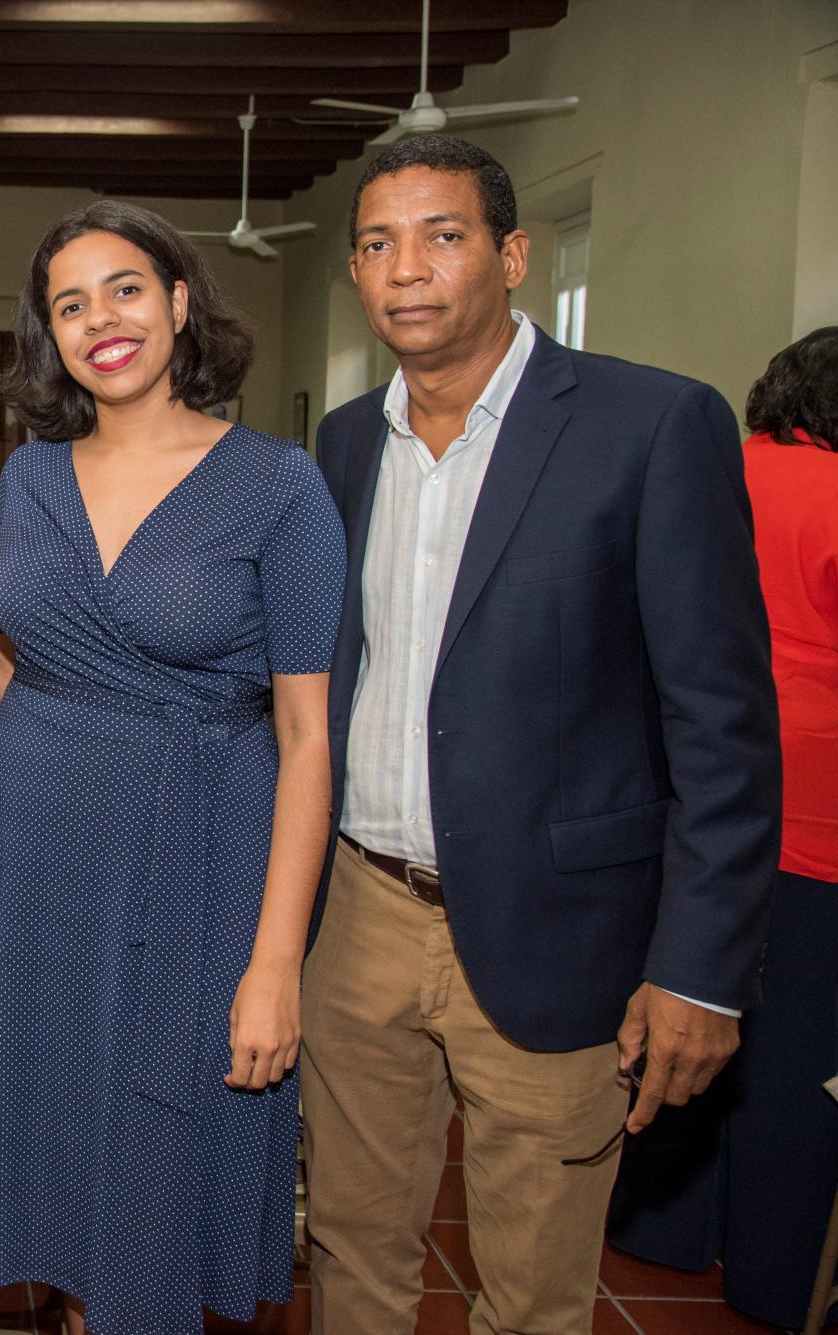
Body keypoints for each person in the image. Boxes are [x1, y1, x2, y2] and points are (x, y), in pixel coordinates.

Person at [301, 135, 781, 1335]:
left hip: (561, 930)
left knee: (528, 1293)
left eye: (441, 235)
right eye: (375, 243)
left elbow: (719, 723)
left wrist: (696, 967)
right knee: (351, 1249)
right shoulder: (347, 444)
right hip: (358, 914)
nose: (404, 268)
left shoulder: (650, 425)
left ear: (511, 255)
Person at [0, 199, 344, 1335]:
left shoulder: (276, 486)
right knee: (58, 1134)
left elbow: (307, 738)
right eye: (68, 304)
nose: (98, 319)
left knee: (158, 1157)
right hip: (31, 854)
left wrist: (274, 964)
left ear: (175, 303)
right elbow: (30, 666)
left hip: (196, 847)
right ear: (47, 335)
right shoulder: (29, 480)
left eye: (121, 288)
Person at [607, 326, 838, 1329]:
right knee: (790, 1057)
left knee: (676, 1010)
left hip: (685, 801)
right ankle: (770, 1274)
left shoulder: (710, 467)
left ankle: (657, 1225)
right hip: (809, 816)